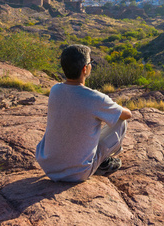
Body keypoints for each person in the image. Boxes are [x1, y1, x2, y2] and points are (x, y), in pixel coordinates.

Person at [35, 44, 132, 182]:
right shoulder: (96, 98)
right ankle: (101, 162)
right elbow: (127, 115)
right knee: (121, 122)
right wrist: (117, 107)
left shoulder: (55, 90)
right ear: (85, 69)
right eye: (90, 62)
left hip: (48, 166)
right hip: (78, 173)